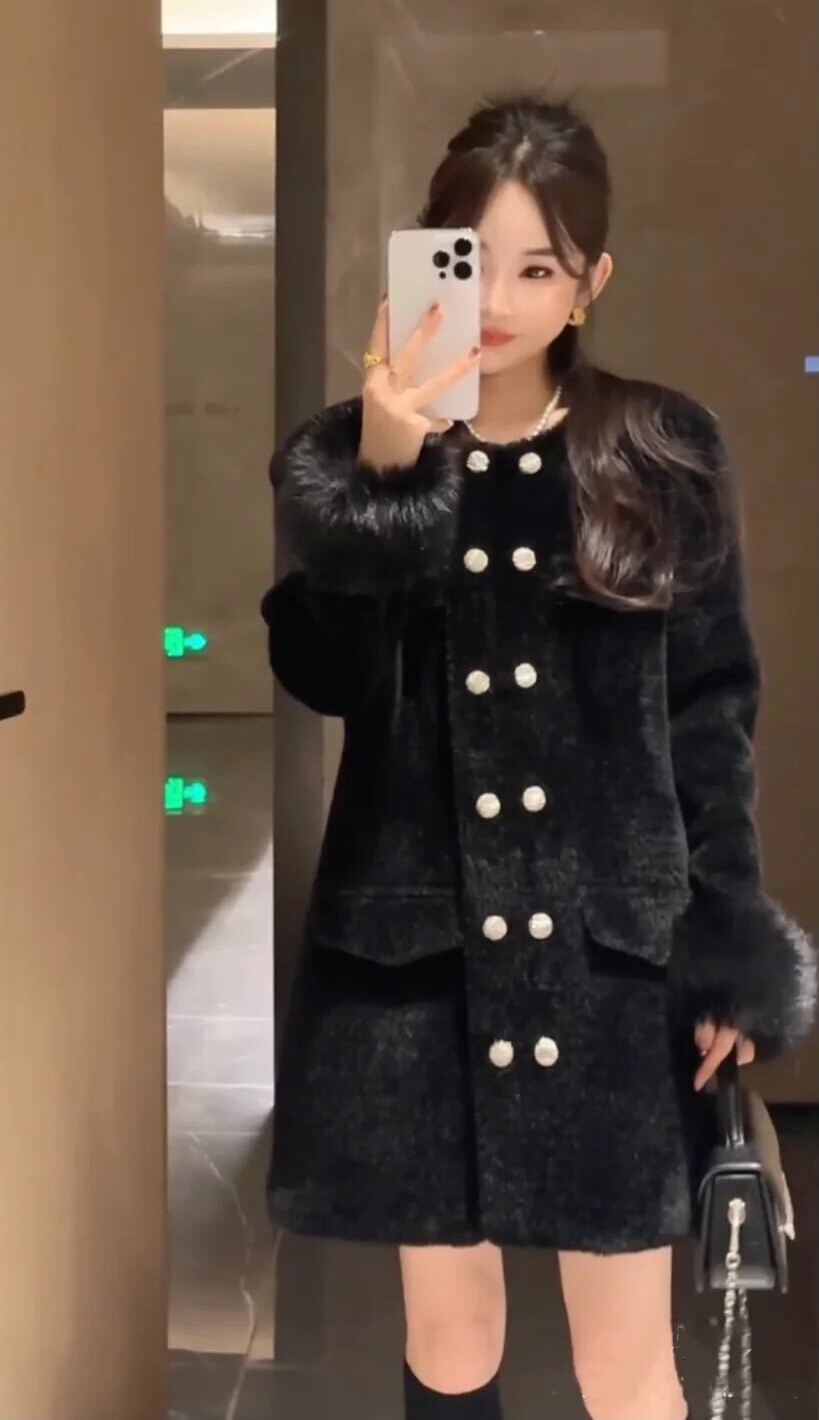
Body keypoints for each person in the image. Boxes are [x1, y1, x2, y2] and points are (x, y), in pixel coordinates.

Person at [259, 94, 817, 1420]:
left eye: (540, 268)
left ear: (590, 282)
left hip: (611, 965)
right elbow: (325, 677)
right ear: (426, 257)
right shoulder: (346, 457)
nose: (501, 301)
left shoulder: (660, 452)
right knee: (450, 1339)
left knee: (625, 1361)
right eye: (472, 260)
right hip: (418, 967)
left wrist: (728, 940)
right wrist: (387, 477)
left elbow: (710, 713)